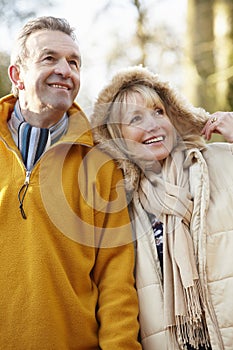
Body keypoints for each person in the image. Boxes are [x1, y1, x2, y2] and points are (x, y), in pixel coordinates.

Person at [0, 16, 142, 349]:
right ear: (17, 75)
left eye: (74, 62)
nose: (66, 70)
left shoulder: (102, 165)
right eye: (50, 58)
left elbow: (116, 282)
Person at [91, 65, 233, 350]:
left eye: (159, 112)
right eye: (136, 118)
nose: (154, 124)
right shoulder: (119, 207)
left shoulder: (222, 162)